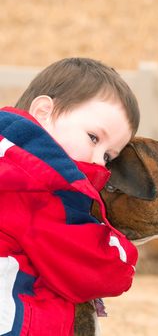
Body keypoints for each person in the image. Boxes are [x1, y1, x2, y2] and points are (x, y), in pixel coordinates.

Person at [0, 58, 140, 335]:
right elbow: (101, 270)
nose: (100, 162)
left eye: (109, 157)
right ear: (43, 112)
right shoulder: (43, 188)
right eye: (93, 138)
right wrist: (122, 250)